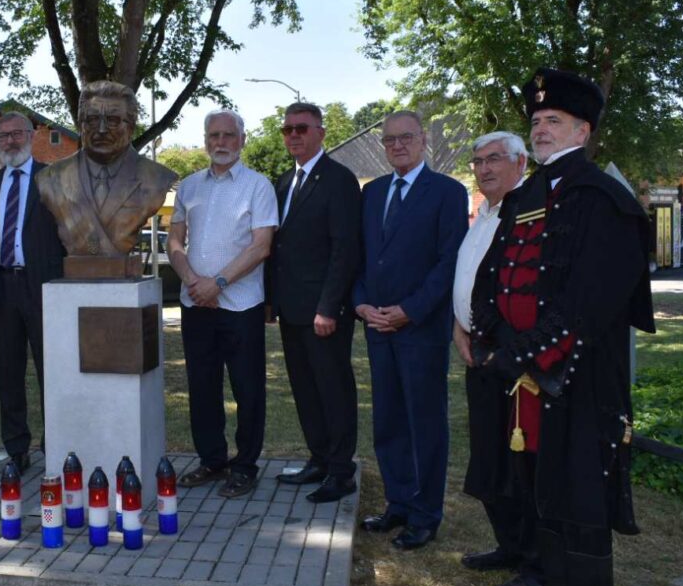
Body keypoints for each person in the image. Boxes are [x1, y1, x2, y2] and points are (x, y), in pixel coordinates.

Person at [470, 69, 653, 586]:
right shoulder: (526, 194)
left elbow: (588, 306)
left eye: (554, 121)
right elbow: (493, 275)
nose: (542, 129)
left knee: (584, 499)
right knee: (542, 490)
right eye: (537, 121)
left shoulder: (600, 197)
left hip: (577, 376)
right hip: (526, 377)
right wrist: (496, 336)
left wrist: (522, 354)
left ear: (584, 129)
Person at [355, 111, 467, 549]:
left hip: (419, 328)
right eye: (389, 140)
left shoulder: (448, 192)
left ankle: (425, 513)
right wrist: (360, 303)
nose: (397, 145)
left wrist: (409, 310)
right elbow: (363, 257)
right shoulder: (374, 192)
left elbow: (448, 263)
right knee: (388, 421)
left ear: (424, 141)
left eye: (406, 138)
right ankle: (397, 503)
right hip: (377, 326)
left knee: (425, 423)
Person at [452, 132, 545, 586]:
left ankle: (537, 565)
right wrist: (458, 327)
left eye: (494, 160)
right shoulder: (484, 214)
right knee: (489, 459)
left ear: (520, 162)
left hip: (512, 359)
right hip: (477, 350)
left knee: (520, 466)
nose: (484, 168)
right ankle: (509, 547)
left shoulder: (529, 214)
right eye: (478, 161)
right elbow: (469, 280)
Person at [168, 109, 277, 499]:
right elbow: (175, 241)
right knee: (202, 387)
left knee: (247, 389)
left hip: (241, 305)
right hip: (195, 303)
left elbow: (261, 246)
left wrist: (218, 283)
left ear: (242, 140)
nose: (220, 142)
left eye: (228, 135)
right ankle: (212, 460)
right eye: (213, 135)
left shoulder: (258, 186)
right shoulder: (189, 187)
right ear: (205, 140)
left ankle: (245, 465)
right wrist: (190, 280)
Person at [266, 102, 362, 503]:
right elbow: (279, 247)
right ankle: (319, 459)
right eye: (287, 129)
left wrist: (328, 306)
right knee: (305, 389)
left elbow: (345, 249)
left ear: (321, 132)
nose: (293, 136)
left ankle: (342, 472)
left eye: (302, 128)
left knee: (333, 389)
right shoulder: (285, 182)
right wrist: (272, 301)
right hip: (292, 308)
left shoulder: (339, 180)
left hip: (324, 312)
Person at [0, 111, 65, 474]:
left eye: (16, 134)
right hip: (3, 288)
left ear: (31, 136)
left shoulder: (55, 179)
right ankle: (16, 448)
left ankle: (56, 445)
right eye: (3, 136)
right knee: (8, 372)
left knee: (52, 370)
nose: (10, 141)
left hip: (44, 287)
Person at [36, 81, 176, 262]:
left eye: (113, 120)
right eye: (93, 120)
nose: (101, 130)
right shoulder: (50, 178)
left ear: (131, 126)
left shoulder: (157, 179)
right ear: (81, 125)